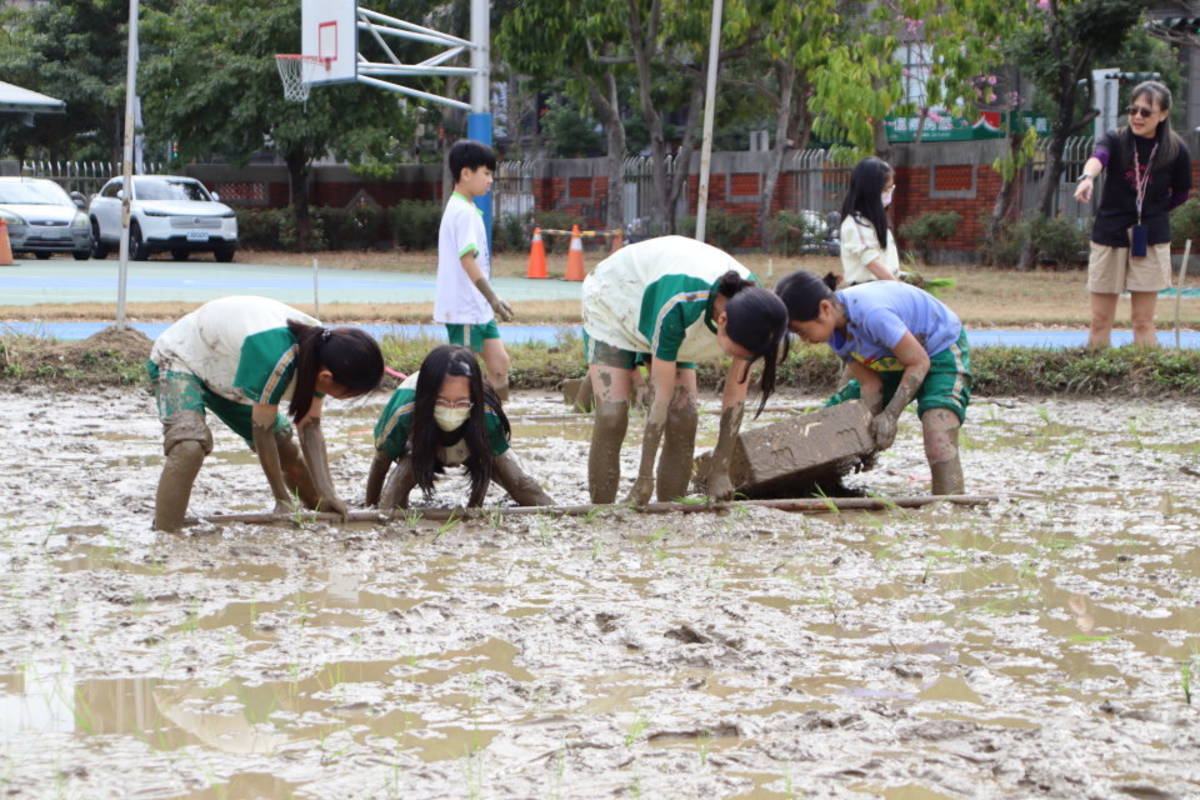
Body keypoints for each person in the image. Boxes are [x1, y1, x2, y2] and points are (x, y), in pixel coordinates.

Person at [582, 235, 789, 505]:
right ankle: (601, 513)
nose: (740, 359)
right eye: (737, 352)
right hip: (618, 297)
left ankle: (672, 511)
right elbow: (660, 396)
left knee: (684, 416)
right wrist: (644, 477)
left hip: (668, 310)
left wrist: (721, 468)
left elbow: (735, 393)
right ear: (722, 320)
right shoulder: (679, 303)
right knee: (612, 415)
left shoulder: (758, 313)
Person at [148, 296, 384, 531]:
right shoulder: (277, 359)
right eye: (352, 393)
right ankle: (166, 536)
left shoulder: (324, 352)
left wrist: (328, 492)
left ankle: (320, 508)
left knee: (284, 446)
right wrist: (281, 499)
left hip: (227, 372)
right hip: (181, 358)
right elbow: (262, 431)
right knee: (188, 446)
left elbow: (310, 426)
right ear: (327, 378)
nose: (352, 398)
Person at [775, 271, 970, 495]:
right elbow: (870, 385)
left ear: (825, 309)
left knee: (938, 437)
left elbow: (918, 362)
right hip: (891, 359)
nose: (803, 339)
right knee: (839, 418)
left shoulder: (872, 314)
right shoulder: (834, 331)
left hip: (938, 351)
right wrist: (868, 439)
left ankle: (949, 507)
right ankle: (819, 487)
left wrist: (890, 415)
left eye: (801, 330)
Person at [1073, 80, 1191, 349]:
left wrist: (1156, 212)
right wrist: (1087, 178)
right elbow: (1098, 156)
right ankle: (1098, 373)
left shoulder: (1176, 150)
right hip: (1109, 234)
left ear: (1163, 115)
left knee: (1142, 321)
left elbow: (1182, 193)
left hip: (1150, 238)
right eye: (1133, 110)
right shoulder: (1116, 139)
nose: (1137, 117)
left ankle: (1144, 382)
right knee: (1100, 319)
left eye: (1146, 112)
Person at [366, 345, 553, 509]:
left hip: (472, 436)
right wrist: (371, 507)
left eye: (461, 402)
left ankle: (557, 510)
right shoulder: (404, 411)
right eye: (442, 401)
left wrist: (474, 509)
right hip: (420, 445)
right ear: (428, 398)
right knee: (394, 494)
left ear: (474, 397)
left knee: (522, 484)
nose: (451, 409)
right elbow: (381, 462)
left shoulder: (487, 413)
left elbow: (486, 462)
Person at [435, 139, 514, 400]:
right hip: (465, 308)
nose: (490, 180)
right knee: (462, 374)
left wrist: (488, 302)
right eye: (487, 173)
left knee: (499, 365)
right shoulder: (463, 212)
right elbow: (467, 260)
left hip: (478, 308)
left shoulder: (466, 208)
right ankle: (460, 427)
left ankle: (494, 424)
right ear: (466, 173)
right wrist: (493, 297)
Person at [839, 156, 900, 285]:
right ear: (870, 192)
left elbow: (886, 263)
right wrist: (900, 289)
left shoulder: (875, 221)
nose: (889, 193)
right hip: (868, 291)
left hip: (883, 287)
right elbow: (872, 263)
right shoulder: (855, 225)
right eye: (885, 190)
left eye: (891, 188)